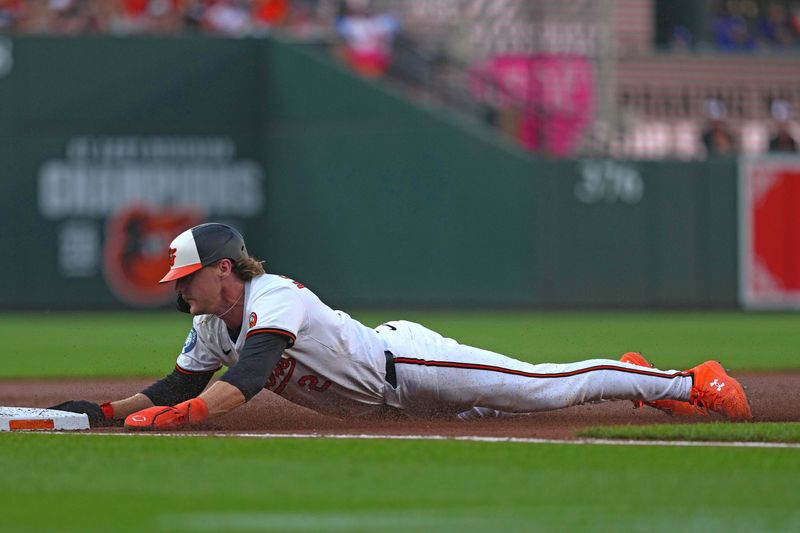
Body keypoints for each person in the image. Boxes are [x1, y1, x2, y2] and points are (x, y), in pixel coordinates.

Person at [50, 223, 752, 430]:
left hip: (410, 365)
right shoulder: (213, 322)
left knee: (547, 389)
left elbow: (251, 378)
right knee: (545, 397)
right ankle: (633, 378)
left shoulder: (275, 297)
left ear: (225, 270)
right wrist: (109, 413)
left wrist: (191, 415)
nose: (182, 289)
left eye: (187, 278)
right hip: (392, 398)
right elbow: (179, 379)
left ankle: (688, 378)